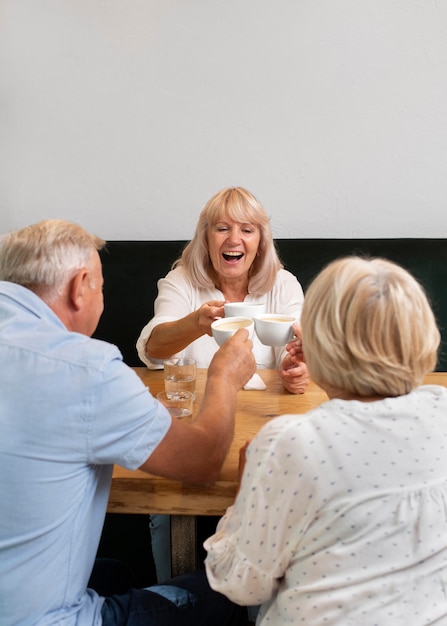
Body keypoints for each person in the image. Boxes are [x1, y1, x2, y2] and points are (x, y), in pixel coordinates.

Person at [0, 219, 256, 626]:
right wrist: (224, 378)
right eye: (101, 287)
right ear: (79, 286)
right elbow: (203, 460)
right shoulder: (86, 368)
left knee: (115, 573)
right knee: (227, 595)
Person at [204, 256, 447, 625]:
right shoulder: (440, 410)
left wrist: (244, 496)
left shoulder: (291, 443)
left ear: (322, 340)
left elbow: (240, 584)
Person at [135, 187, 309, 584]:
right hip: (195, 426)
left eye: (247, 229)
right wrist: (196, 322)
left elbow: (297, 349)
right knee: (163, 500)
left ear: (260, 240)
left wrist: (298, 368)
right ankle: (172, 598)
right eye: (222, 229)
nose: (234, 239)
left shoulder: (283, 285)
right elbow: (153, 347)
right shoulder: (181, 282)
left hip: (262, 432)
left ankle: (255, 603)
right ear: (206, 238)